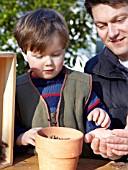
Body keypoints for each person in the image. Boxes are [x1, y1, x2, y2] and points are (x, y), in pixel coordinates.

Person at [13, 8, 111, 157]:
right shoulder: (16, 89)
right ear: (24, 54)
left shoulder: (81, 84)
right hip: (32, 163)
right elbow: (8, 126)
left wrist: (98, 117)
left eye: (56, 54)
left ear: (64, 49)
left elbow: (94, 117)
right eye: (39, 56)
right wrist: (20, 137)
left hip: (78, 162)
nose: (48, 63)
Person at [84, 0, 128, 159]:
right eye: (101, 26)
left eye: (119, 20)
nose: (112, 33)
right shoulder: (92, 69)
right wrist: (108, 147)